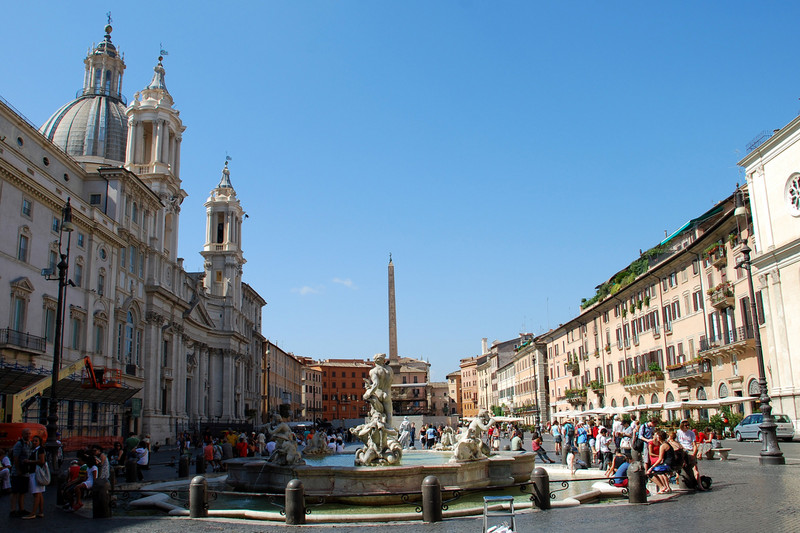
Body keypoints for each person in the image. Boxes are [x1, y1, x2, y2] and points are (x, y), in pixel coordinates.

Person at [9, 427, 32, 518]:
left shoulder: (29, 444)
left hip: (25, 471)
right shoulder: (19, 444)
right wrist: (18, 469)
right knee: (15, 491)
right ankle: (13, 509)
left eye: (29, 433)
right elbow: (15, 458)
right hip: (17, 471)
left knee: (23, 491)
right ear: (22, 435)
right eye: (26, 434)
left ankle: (21, 509)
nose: (28, 435)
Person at [22, 435, 46, 519]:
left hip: (35, 473)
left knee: (36, 493)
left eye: (36, 441)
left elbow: (41, 461)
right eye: (33, 441)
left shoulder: (39, 450)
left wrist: (29, 461)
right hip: (36, 472)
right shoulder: (36, 450)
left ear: (39, 442)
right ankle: (40, 511)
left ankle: (33, 513)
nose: (34, 442)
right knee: (39, 493)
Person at [677, 420, 701, 489]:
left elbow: (694, 444)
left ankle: (699, 484)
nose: (687, 427)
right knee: (681, 467)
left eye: (688, 425)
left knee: (695, 468)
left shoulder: (691, 433)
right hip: (682, 450)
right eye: (686, 425)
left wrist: (694, 454)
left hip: (690, 450)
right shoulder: (678, 433)